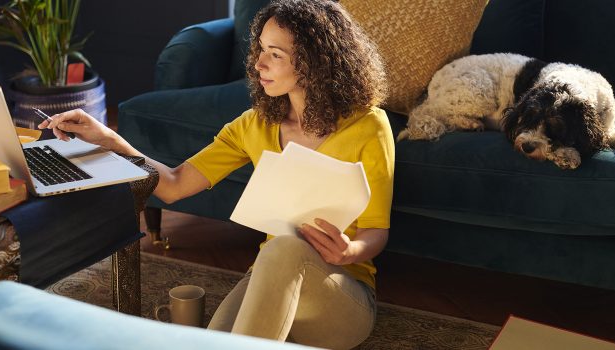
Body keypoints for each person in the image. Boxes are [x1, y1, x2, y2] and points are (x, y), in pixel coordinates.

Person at [39, 0, 393, 348]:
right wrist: (108, 138)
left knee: (286, 247)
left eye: (275, 54)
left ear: (314, 63)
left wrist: (348, 252)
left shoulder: (368, 126)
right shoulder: (254, 125)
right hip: (269, 279)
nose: (258, 64)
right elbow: (175, 186)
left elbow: (376, 231)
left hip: (342, 298)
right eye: (260, 49)